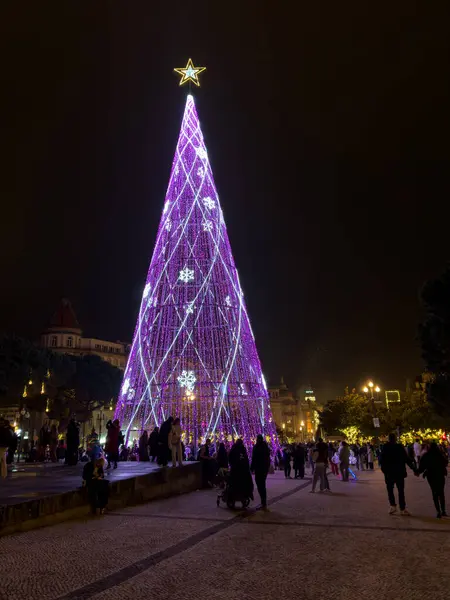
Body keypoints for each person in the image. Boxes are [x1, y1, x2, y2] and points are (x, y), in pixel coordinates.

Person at [380, 432, 416, 515]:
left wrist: (384, 470)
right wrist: (414, 469)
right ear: (395, 439)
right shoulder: (399, 447)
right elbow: (406, 459)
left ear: (388, 439)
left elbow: (382, 460)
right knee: (401, 491)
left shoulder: (385, 447)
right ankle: (402, 508)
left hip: (389, 473)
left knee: (390, 490)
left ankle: (393, 506)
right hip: (399, 472)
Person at [416, 442, 448, 518]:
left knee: (434, 493)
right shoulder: (440, 455)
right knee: (441, 492)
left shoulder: (426, 456)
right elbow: (445, 462)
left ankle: (438, 511)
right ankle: (443, 511)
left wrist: (417, 472)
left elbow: (422, 466)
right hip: (440, 475)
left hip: (431, 476)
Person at [251, 434, 271, 509]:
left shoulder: (256, 447)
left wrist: (252, 468)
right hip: (264, 469)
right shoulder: (265, 447)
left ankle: (263, 502)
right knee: (262, 484)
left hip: (259, 469)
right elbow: (268, 459)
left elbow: (254, 458)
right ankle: (263, 501)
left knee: (260, 484)